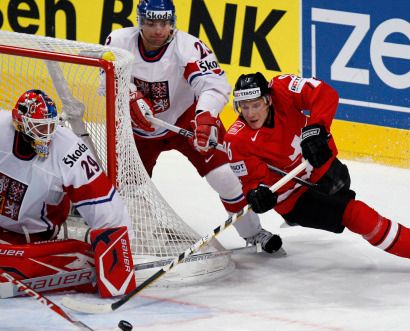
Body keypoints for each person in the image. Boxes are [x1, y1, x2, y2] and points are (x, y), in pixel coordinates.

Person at [224, 72, 410, 277]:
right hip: (294, 198)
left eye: (256, 105)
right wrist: (259, 195)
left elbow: (325, 93)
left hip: (324, 169)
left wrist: (316, 129)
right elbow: (251, 182)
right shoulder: (236, 140)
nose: (250, 113)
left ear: (268, 100)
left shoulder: (283, 88)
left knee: (342, 187)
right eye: (244, 107)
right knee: (355, 214)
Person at [103, 0, 282, 253]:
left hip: (187, 117)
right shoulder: (119, 42)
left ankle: (253, 232)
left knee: (226, 177)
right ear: (139, 22)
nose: (158, 31)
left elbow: (213, 85)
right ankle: (138, 240)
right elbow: (104, 82)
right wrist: (129, 95)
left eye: (164, 23)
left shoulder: (187, 47)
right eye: (151, 23)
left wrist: (205, 115)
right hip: (138, 127)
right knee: (129, 189)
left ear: (172, 22)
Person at [0, 90, 136, 296]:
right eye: (39, 127)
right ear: (19, 123)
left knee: (81, 259)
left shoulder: (69, 149)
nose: (46, 135)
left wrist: (118, 261)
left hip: (33, 241)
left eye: (50, 126)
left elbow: (104, 203)